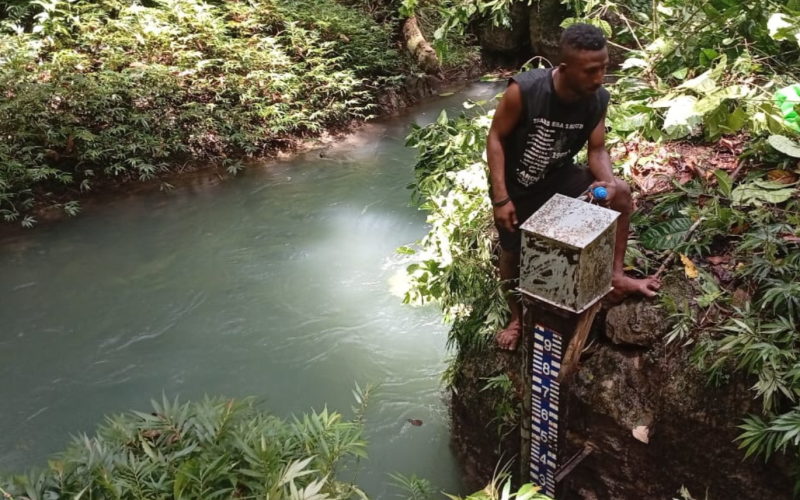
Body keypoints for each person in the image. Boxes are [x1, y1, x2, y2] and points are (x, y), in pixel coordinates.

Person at [487, 23, 661, 351]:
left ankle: (616, 276)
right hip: (518, 186)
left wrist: (606, 182)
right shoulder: (525, 91)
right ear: (565, 69)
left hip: (560, 178)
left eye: (604, 68)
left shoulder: (597, 99)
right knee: (511, 253)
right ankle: (516, 318)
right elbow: (495, 138)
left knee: (621, 193)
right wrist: (500, 197)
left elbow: (596, 149)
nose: (599, 78)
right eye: (590, 71)